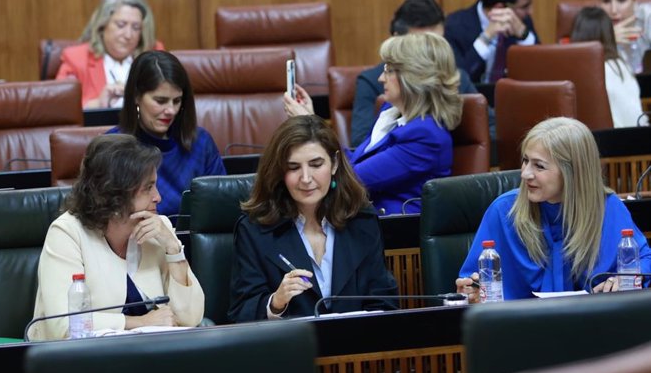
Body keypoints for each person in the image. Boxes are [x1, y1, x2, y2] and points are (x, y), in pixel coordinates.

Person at [456, 117, 651, 303]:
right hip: (521, 330)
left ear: (572, 172)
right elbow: (472, 282)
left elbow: (644, 261)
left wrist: (623, 279)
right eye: (525, 161)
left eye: (539, 166)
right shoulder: (505, 211)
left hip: (595, 328)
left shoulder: (606, 207)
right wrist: (470, 291)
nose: (525, 174)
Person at [30, 134, 204, 340]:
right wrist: (139, 323)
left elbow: (191, 318)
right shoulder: (67, 233)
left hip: (149, 357)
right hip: (79, 362)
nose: (158, 197)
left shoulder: (158, 229)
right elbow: (63, 324)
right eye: (148, 188)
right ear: (113, 195)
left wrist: (174, 250)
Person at [229, 115, 398, 322]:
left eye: (316, 164)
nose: (306, 178)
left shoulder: (362, 221)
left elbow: (385, 301)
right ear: (280, 172)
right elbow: (240, 312)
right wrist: (276, 303)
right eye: (293, 168)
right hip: (288, 351)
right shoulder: (255, 229)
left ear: (334, 164)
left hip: (355, 349)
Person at [285, 33, 462, 215]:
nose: (381, 78)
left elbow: (352, 179)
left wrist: (311, 123)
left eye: (389, 70)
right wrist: (312, 118)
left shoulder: (427, 136)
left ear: (414, 76)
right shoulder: (391, 112)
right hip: (362, 218)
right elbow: (353, 163)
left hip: (396, 233)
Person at [351, 0, 489, 148]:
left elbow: (490, 127)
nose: (431, 56)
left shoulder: (456, 77)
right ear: (397, 41)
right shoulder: (372, 82)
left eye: (437, 43)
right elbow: (361, 142)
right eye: (421, 46)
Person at [108, 50, 226, 217]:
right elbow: (103, 217)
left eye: (177, 101)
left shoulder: (200, 142)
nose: (171, 110)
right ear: (136, 96)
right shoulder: (112, 147)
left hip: (191, 241)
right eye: (160, 101)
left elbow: (221, 209)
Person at [56, 0, 164, 109]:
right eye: (121, 25)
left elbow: (170, 98)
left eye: (136, 28)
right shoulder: (76, 58)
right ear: (102, 26)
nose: (128, 35)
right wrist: (98, 103)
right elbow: (62, 109)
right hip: (99, 125)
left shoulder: (154, 55)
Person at [571, 7, 647, 128]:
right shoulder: (621, 62)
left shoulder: (579, 72)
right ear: (609, 33)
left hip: (606, 140)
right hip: (639, 135)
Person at [444, 0, 539, 83]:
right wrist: (485, 39)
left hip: (514, 97)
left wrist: (525, 36)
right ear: (500, 8)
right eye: (525, 6)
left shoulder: (523, 21)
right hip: (474, 97)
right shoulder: (454, 26)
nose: (530, 12)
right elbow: (457, 80)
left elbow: (541, 69)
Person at [600, 0, 651, 71]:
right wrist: (609, 42)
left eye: (621, 0)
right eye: (606, 1)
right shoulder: (591, 25)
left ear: (634, 1)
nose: (614, 10)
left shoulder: (648, 16)